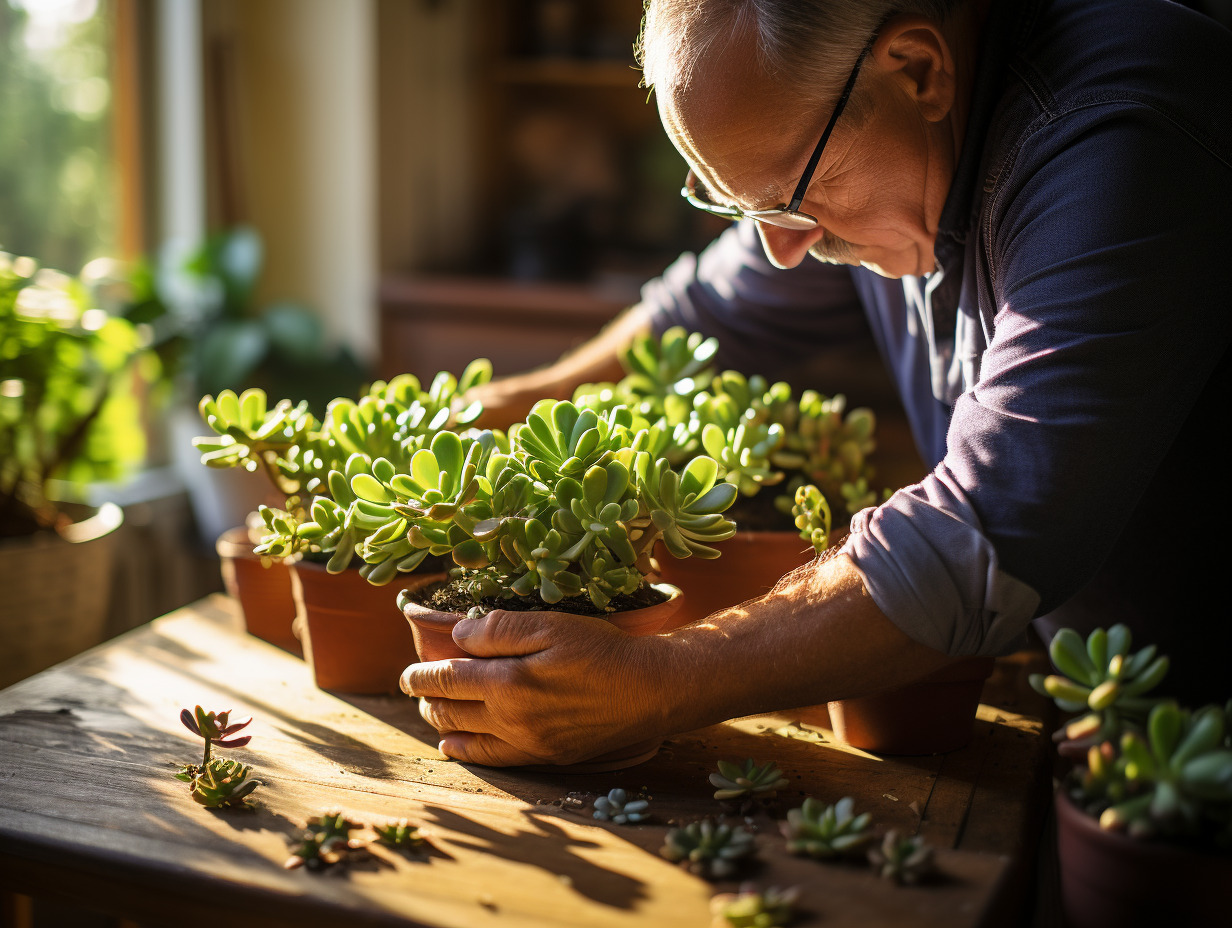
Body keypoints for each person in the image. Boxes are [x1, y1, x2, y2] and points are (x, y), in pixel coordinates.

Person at [402, 0, 1232, 767]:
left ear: (917, 70)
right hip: (1099, 707)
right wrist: (499, 410)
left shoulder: (1118, 146)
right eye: (735, 204)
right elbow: (711, 310)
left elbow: (981, 533)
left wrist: (651, 679)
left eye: (792, 198)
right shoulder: (890, 145)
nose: (781, 250)